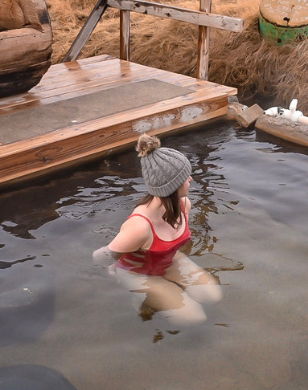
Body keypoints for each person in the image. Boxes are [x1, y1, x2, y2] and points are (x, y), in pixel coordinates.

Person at [93, 134, 222, 325]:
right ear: (172, 186)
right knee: (195, 317)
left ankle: (166, 290)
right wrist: (113, 275)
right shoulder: (140, 226)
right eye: (185, 177)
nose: (191, 179)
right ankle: (142, 298)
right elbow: (99, 256)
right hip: (138, 273)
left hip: (167, 261)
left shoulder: (184, 205)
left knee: (213, 296)